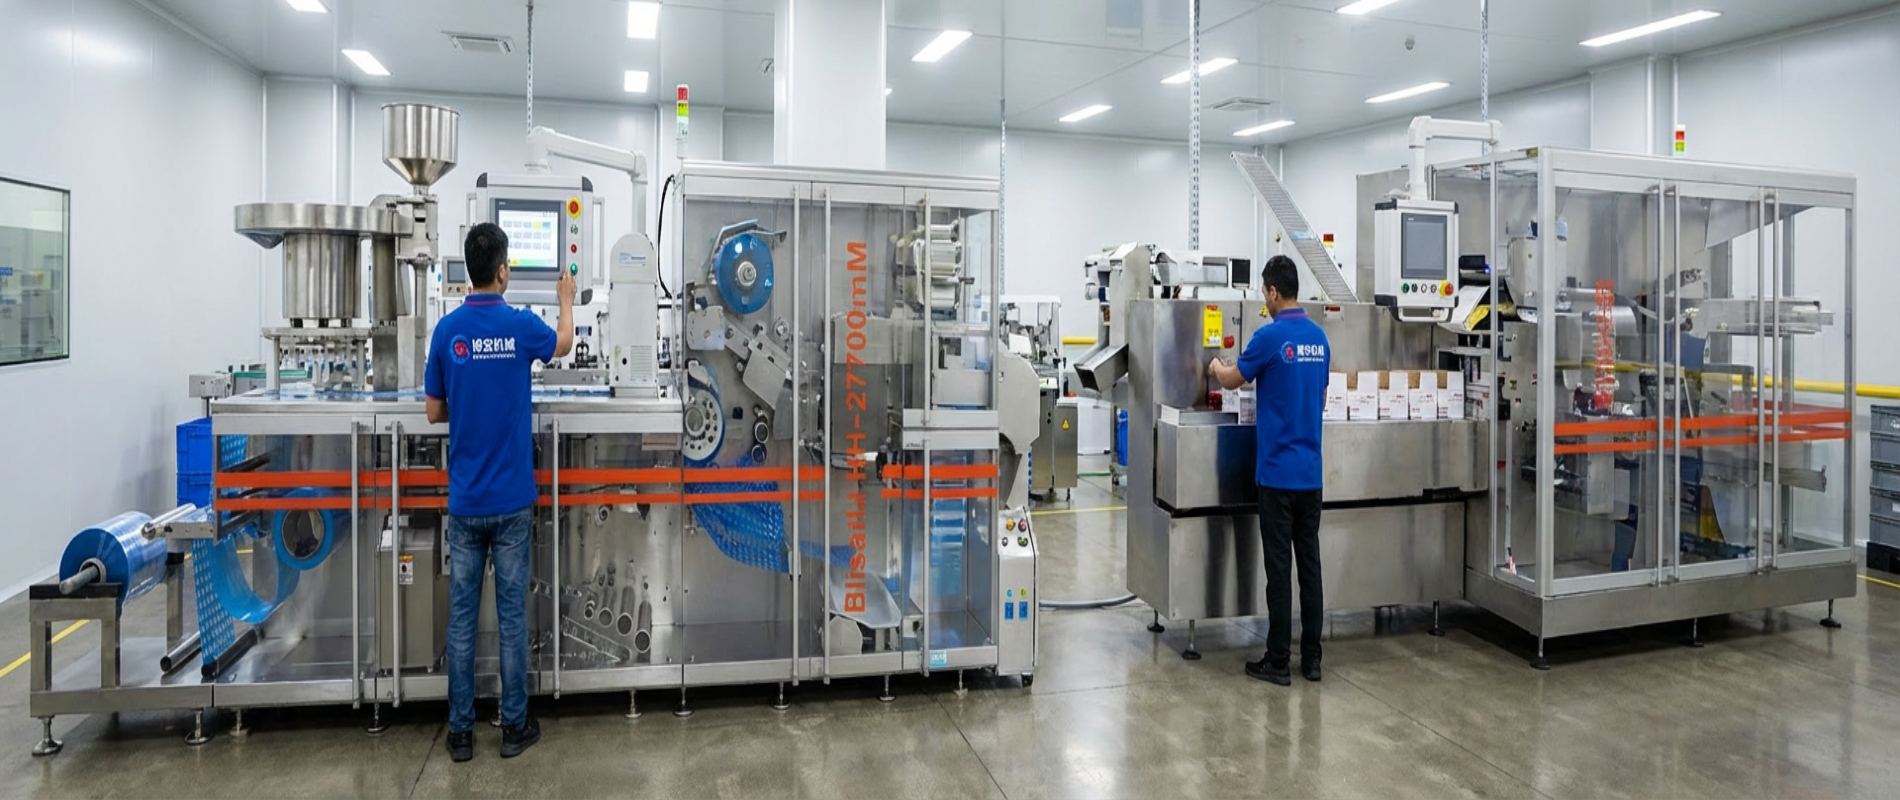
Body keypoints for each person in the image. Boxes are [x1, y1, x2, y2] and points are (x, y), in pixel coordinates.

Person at [425, 222, 574, 761]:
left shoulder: (447, 332)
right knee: (513, 618)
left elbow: (432, 410)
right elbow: (562, 345)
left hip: (465, 502)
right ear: (504, 270)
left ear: (470, 269)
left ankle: (460, 733)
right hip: (512, 501)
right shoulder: (518, 326)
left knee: (462, 620)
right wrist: (565, 300)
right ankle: (514, 728)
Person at [1208, 255, 1329, 686]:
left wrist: (1214, 365)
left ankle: (1278, 661)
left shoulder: (1269, 337)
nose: (1265, 299)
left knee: (1279, 571)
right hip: (1311, 475)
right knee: (1309, 566)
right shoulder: (1320, 339)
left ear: (1274, 292)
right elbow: (1320, 394)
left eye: (1265, 293)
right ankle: (1312, 659)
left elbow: (1231, 380)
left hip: (1277, 476)